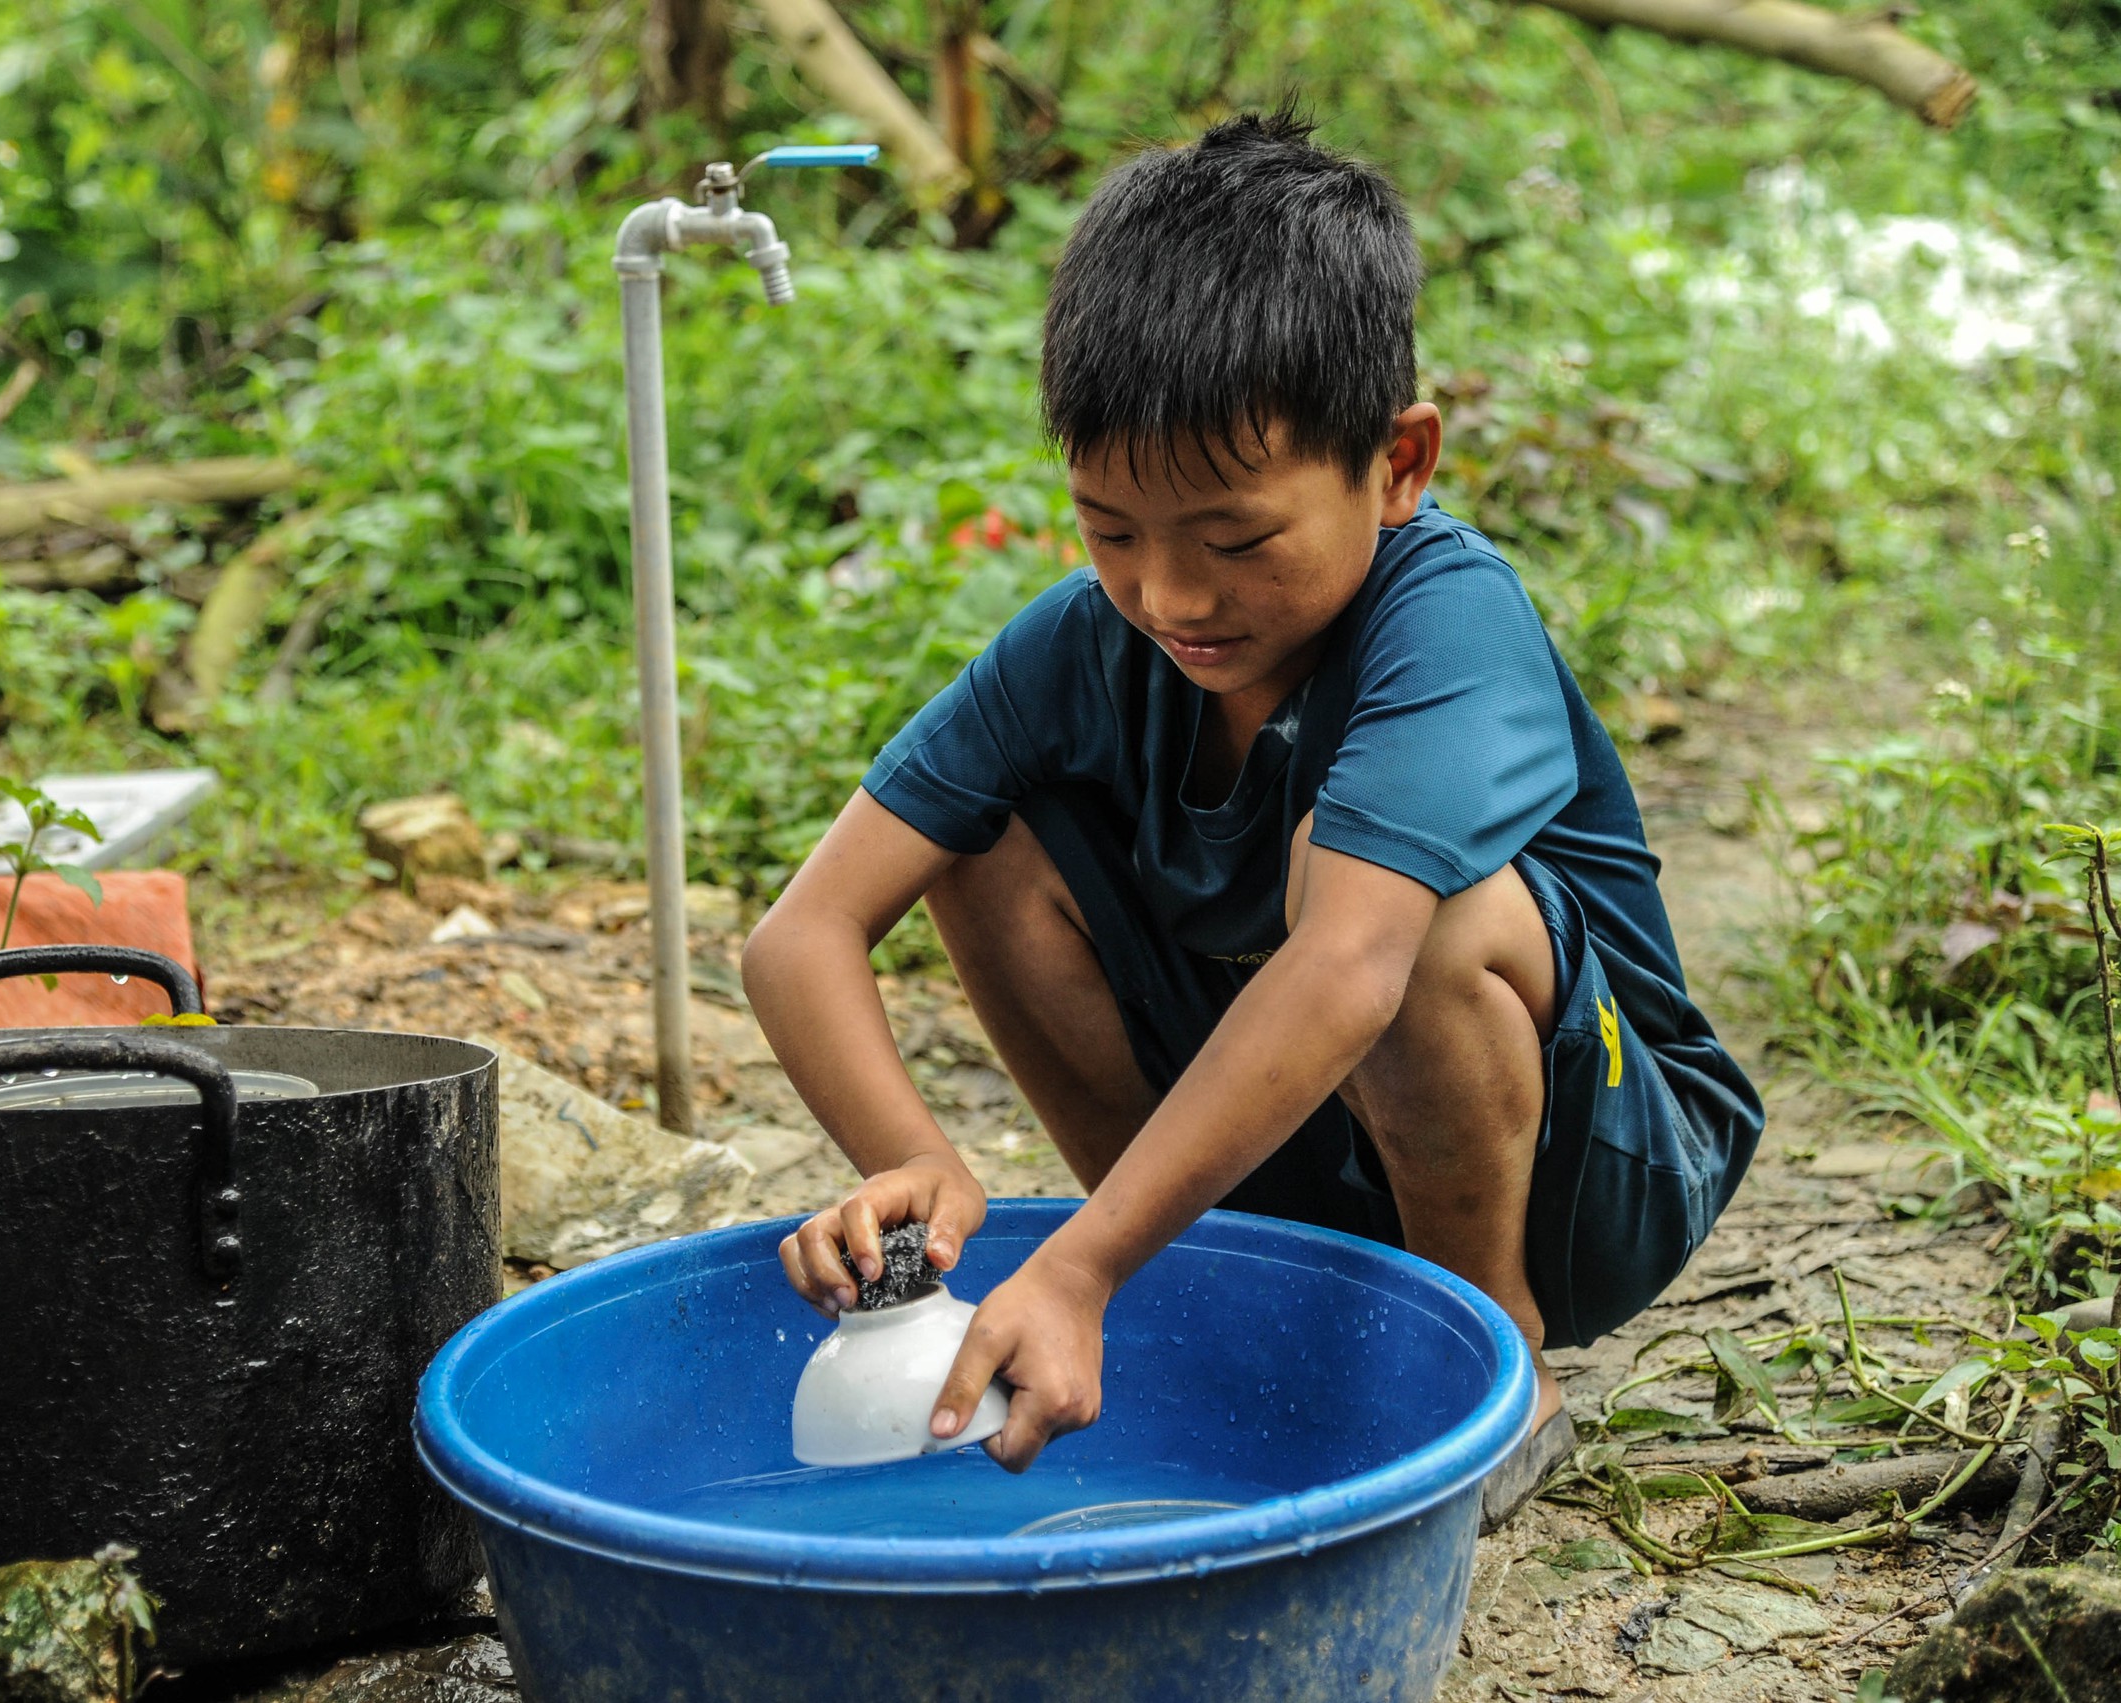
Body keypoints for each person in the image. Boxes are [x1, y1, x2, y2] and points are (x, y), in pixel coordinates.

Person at [739, 106, 1763, 1529]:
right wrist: (912, 1157)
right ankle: (1206, 1271)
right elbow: (799, 937)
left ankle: (1489, 1366)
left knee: (1422, 917)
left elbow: (1350, 964)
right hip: (1306, 1139)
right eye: (1111, 532)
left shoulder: (1448, 621)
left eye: (1236, 539)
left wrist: (1075, 1267)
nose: (1171, 597)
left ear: (1398, 466)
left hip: (1602, 1166)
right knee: (982, 847)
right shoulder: (1076, 650)